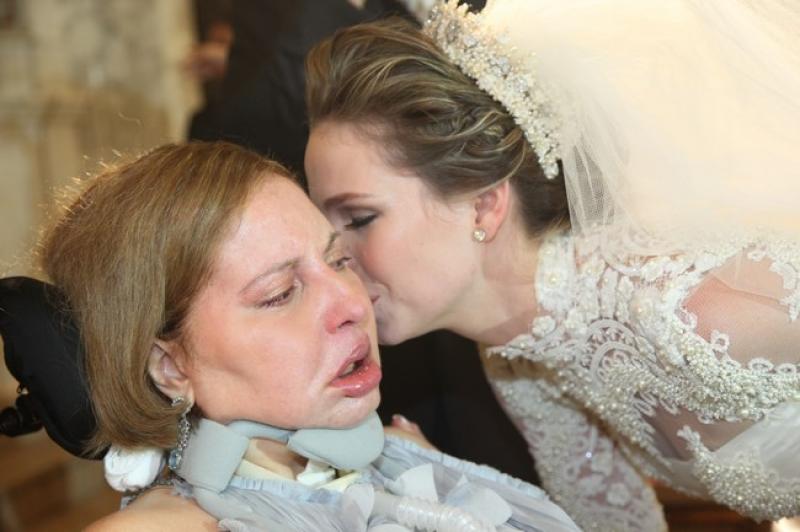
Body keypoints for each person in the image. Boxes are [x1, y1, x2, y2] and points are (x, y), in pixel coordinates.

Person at [303, 3, 800, 530]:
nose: (336, 259)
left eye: (359, 218)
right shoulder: (520, 363)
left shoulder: (697, 308)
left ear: (483, 207)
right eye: (326, 230)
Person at [37, 142, 577, 531]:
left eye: (338, 261)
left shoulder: (408, 461)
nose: (353, 304)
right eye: (279, 294)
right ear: (171, 366)